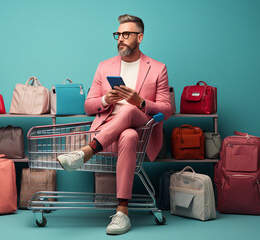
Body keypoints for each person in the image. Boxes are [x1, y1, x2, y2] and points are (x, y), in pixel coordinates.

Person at [57, 14, 173, 235]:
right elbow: (89, 106)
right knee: (127, 135)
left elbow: (167, 110)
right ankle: (122, 212)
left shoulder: (158, 68)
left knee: (130, 111)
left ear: (140, 37)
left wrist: (139, 101)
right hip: (111, 135)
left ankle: (85, 152)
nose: (120, 38)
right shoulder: (104, 66)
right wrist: (104, 100)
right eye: (118, 34)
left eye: (126, 34)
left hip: (143, 131)